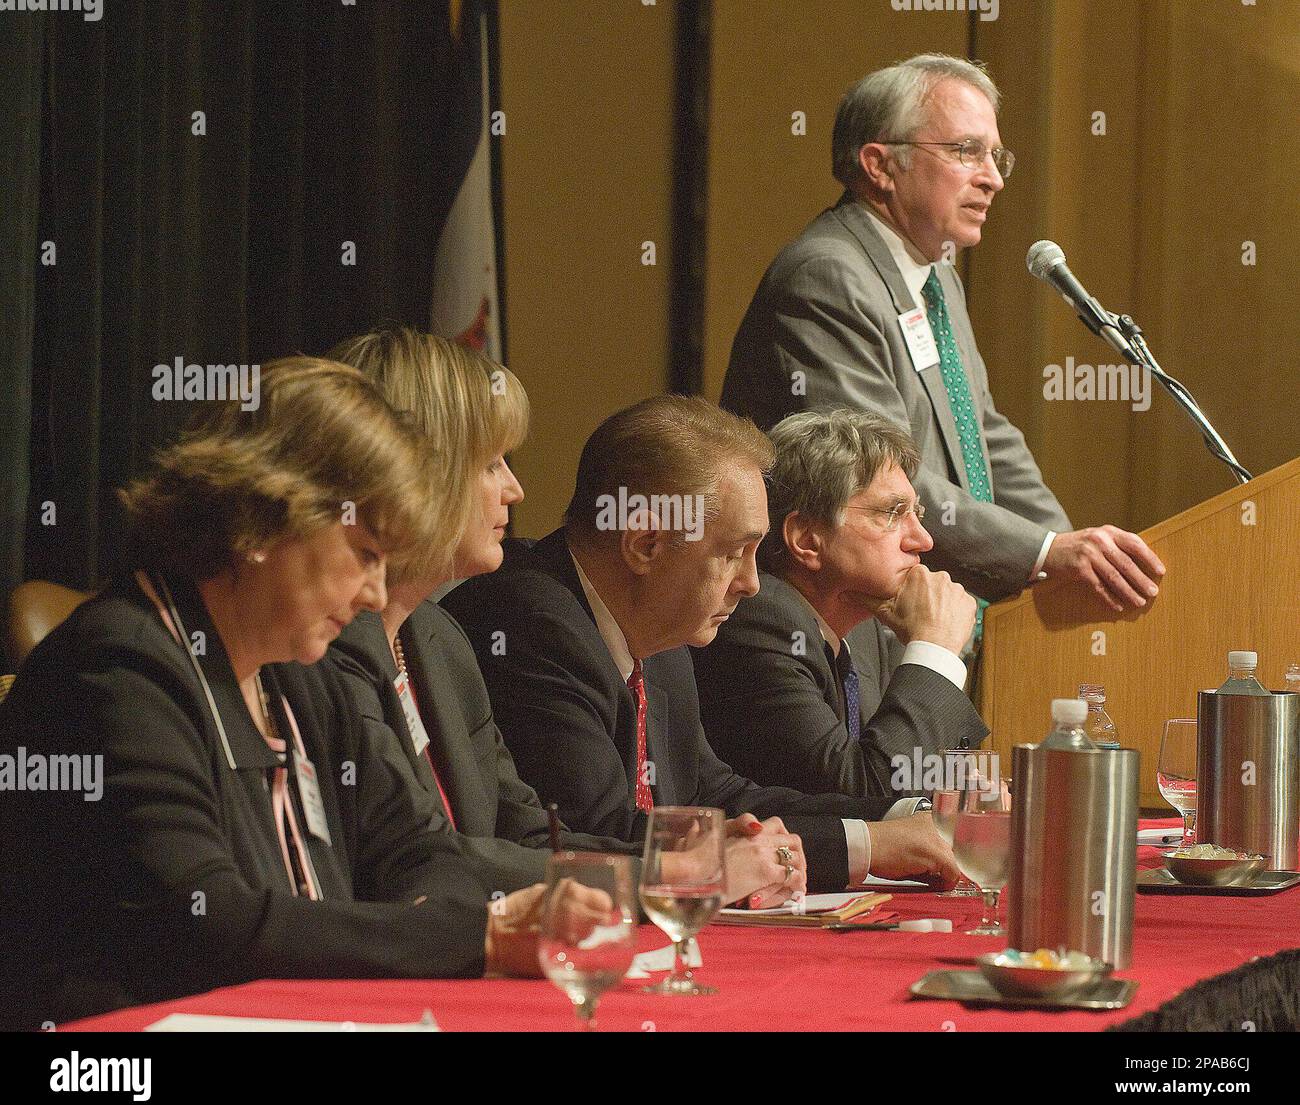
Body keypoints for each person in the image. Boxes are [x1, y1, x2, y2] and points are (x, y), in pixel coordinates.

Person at [0, 356, 603, 1030]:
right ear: (267, 518)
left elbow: (420, 851)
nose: (377, 593)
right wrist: (471, 938)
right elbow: (205, 921)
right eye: (366, 553)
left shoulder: (301, 668)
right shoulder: (117, 667)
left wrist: (431, 925)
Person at [326, 328, 805, 907]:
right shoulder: (325, 647)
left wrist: (690, 863)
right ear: (410, 473)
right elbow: (418, 861)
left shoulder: (437, 639)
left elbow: (526, 834)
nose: (516, 489)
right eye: (490, 464)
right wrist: (682, 876)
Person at [442, 395, 961, 892]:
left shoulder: (661, 628)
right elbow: (598, 835)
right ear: (646, 545)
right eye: (735, 552)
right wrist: (863, 845)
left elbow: (711, 794)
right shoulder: (532, 624)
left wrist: (902, 819)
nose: (752, 582)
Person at [720, 53, 1164, 614]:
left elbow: (987, 436)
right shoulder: (827, 278)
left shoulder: (936, 277)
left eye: (996, 155)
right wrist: (1046, 552)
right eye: (965, 151)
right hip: (840, 627)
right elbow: (876, 481)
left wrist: (1075, 553)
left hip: (934, 614)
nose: (994, 178)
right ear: (881, 165)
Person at [691, 408, 989, 798]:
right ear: (807, 538)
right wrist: (936, 648)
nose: (923, 540)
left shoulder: (863, 631)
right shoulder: (761, 618)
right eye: (893, 513)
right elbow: (856, 795)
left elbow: (892, 768)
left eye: (915, 514)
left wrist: (950, 785)